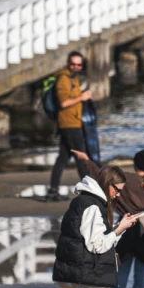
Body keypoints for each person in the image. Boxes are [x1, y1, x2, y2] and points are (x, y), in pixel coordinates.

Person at [71, 148, 144, 288]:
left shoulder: (127, 180)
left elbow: (101, 175)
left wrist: (86, 160)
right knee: (142, 267)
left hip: (128, 226)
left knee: (122, 266)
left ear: (136, 164)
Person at [49, 52, 93, 201]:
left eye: (79, 65)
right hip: (69, 124)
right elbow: (63, 103)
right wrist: (82, 97)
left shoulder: (72, 78)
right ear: (68, 63)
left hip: (73, 122)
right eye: (73, 64)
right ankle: (89, 191)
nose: (76, 67)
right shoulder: (63, 79)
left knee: (63, 157)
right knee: (81, 156)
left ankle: (52, 190)